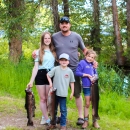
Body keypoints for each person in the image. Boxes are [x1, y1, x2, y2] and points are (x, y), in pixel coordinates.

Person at [27, 32, 56, 125]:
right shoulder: (38, 52)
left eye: (49, 38)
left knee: (49, 98)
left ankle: (46, 115)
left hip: (50, 75)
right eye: (45, 38)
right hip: (40, 74)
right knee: (42, 98)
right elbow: (35, 67)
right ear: (42, 40)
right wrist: (31, 81)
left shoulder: (54, 51)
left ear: (51, 40)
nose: (47, 40)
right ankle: (47, 119)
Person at [47, 53, 75, 130]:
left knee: (63, 110)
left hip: (63, 94)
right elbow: (48, 75)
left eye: (65, 60)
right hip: (54, 94)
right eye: (62, 60)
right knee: (53, 109)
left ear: (68, 61)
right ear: (59, 61)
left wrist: (72, 92)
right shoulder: (56, 69)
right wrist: (50, 83)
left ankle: (63, 125)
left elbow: (72, 82)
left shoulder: (69, 71)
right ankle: (53, 123)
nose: (64, 61)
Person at [75, 49, 100, 129]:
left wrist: (94, 77)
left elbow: (96, 74)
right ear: (86, 56)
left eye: (92, 57)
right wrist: (86, 75)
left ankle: (94, 121)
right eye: (89, 56)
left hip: (94, 87)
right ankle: (86, 121)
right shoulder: (82, 63)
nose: (90, 58)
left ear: (94, 59)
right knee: (87, 104)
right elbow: (77, 72)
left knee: (94, 104)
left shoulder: (93, 64)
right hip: (86, 87)